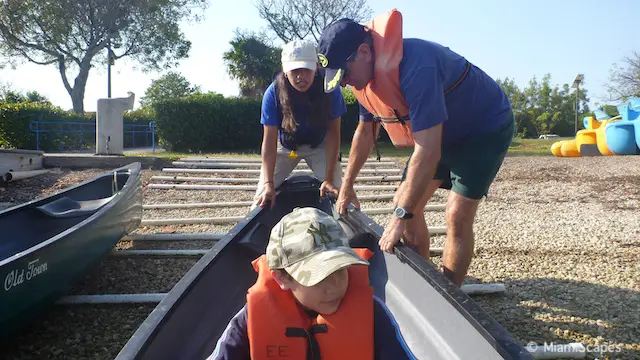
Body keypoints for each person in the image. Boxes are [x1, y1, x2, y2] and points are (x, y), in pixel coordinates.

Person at [316, 9, 514, 287]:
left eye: (344, 73)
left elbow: (429, 150)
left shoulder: (417, 66)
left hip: (482, 128)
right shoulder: (366, 80)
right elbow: (365, 132)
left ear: (363, 51)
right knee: (405, 204)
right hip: (441, 132)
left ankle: (451, 294)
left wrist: (400, 218)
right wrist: (347, 187)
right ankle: (427, 283)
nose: (345, 82)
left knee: (456, 214)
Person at [207, 207, 417, 360]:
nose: (335, 286)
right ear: (282, 277)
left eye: (341, 270)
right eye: (319, 276)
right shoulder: (249, 319)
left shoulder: (372, 312)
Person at [252, 39, 347, 210]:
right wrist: (268, 183)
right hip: (286, 147)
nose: (300, 76)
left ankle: (349, 231)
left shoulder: (330, 89)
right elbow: (269, 141)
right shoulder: (273, 93)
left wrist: (329, 178)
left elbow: (334, 134)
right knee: (261, 197)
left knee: (340, 193)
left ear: (316, 67)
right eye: (295, 70)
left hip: (320, 145)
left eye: (306, 69)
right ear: (285, 70)